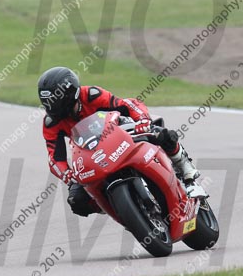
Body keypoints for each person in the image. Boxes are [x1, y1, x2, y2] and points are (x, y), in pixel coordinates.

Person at [38, 66, 199, 217]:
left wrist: (142, 120)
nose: (51, 107)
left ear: (69, 95)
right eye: (47, 103)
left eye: (54, 101)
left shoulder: (91, 95)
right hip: (90, 154)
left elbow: (127, 104)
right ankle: (119, 208)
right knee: (77, 201)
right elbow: (54, 159)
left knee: (163, 135)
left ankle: (185, 167)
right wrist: (68, 175)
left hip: (120, 134)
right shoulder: (51, 122)